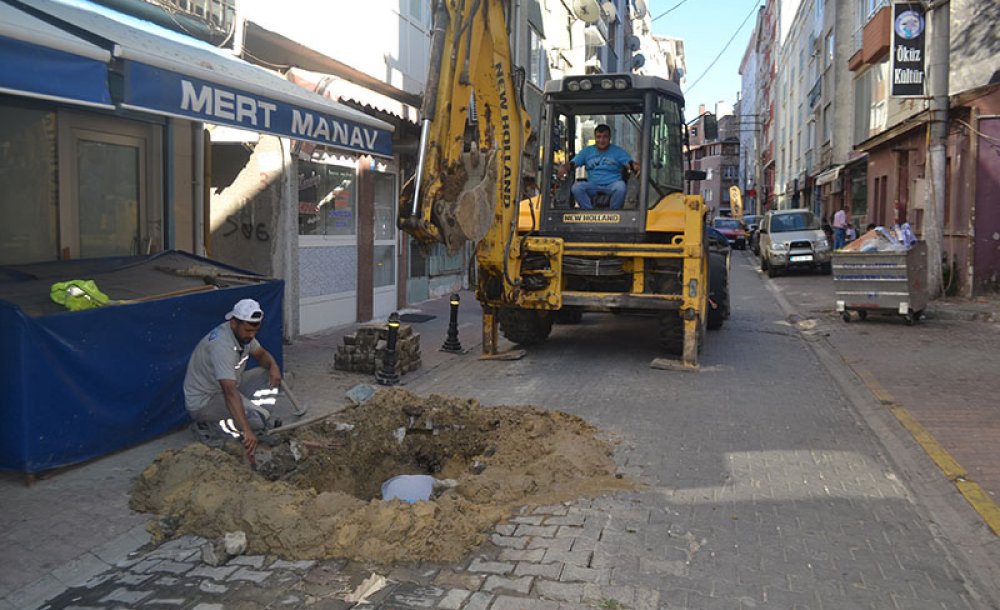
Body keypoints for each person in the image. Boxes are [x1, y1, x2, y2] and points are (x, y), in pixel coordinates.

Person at [183, 298, 282, 454]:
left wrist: (274, 366)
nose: (252, 335)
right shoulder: (222, 347)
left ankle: (260, 419)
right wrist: (247, 430)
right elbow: (230, 393)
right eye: (248, 331)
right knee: (254, 421)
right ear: (234, 323)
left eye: (255, 331)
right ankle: (209, 426)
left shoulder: (244, 335)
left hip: (227, 386)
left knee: (265, 374)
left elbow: (261, 355)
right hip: (205, 400)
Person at [557, 124, 639, 210]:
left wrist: (637, 167)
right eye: (598, 137)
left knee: (621, 187)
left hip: (612, 185)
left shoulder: (618, 151)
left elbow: (631, 164)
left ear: (610, 137)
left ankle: (614, 214)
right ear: (595, 138)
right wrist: (564, 168)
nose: (601, 140)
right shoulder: (587, 151)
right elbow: (572, 164)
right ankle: (589, 213)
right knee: (577, 188)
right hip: (593, 185)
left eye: (605, 137)